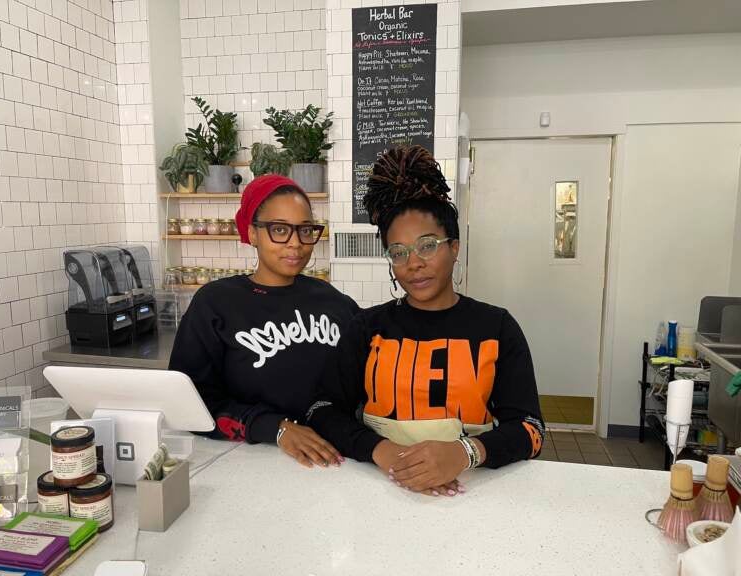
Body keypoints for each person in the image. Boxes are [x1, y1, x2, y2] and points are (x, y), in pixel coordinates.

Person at [308, 146, 544, 496]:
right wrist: (382, 451)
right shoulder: (366, 328)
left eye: (428, 246)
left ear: (455, 247)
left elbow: (531, 430)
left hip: (473, 491)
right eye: (398, 252)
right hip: (381, 488)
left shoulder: (496, 327)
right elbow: (322, 410)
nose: (413, 263)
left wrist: (465, 454)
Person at [170, 175, 359, 468]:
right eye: (280, 230)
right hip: (248, 462)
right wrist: (276, 429)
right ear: (253, 233)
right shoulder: (216, 303)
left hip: (334, 460)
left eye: (305, 230)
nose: (296, 244)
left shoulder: (334, 301)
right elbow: (188, 404)